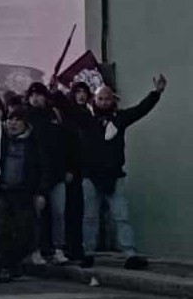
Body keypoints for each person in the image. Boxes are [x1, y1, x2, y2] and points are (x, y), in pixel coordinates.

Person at [60, 76, 165, 269]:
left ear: (112, 100)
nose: (104, 102)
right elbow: (69, 110)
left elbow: (140, 110)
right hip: (91, 177)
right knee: (90, 218)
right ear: (95, 100)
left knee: (121, 217)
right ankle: (88, 253)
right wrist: (55, 92)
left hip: (115, 176)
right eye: (100, 99)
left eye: (107, 99)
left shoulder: (119, 119)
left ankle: (130, 254)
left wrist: (156, 93)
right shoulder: (86, 120)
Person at [0, 106, 50, 283]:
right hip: (2, 191)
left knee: (25, 232)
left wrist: (41, 192)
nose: (13, 124)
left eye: (18, 120)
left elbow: (44, 167)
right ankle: (5, 266)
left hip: (24, 192)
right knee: (3, 231)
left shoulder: (34, 142)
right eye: (10, 119)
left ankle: (14, 262)